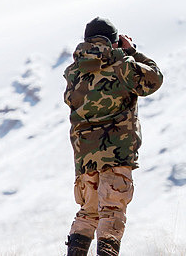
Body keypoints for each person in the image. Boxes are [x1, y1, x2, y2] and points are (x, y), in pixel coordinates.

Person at [63, 17, 163, 256]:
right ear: (114, 40)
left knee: (87, 213)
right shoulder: (123, 64)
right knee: (112, 210)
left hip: (85, 157)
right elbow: (154, 79)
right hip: (116, 153)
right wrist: (132, 52)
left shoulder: (73, 72)